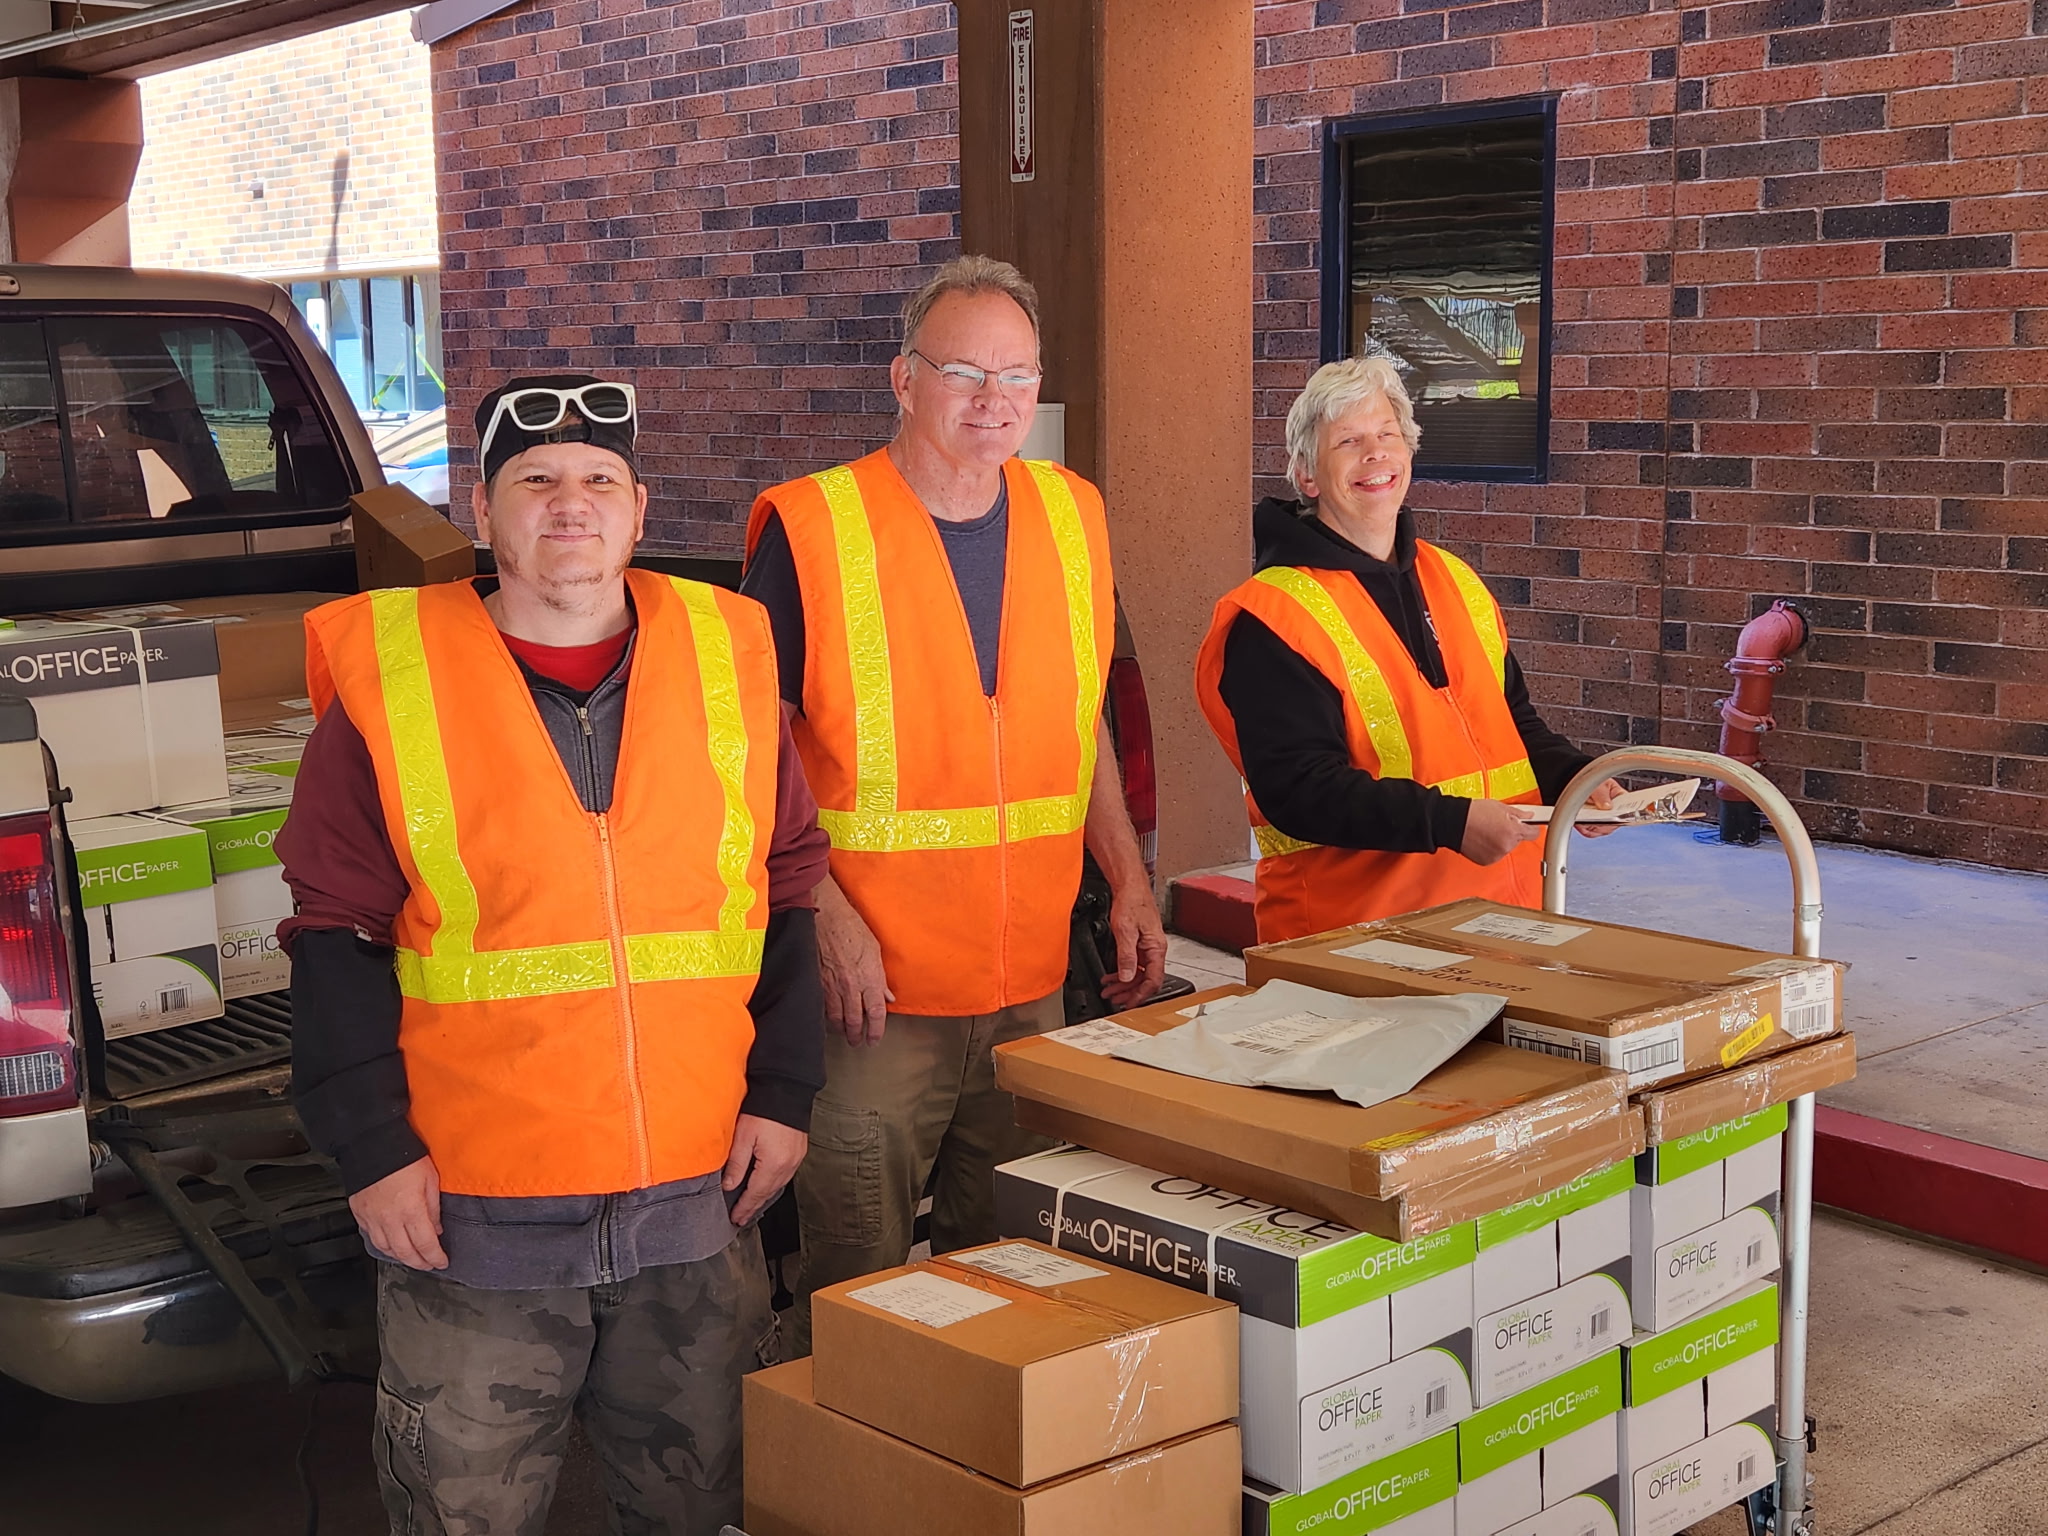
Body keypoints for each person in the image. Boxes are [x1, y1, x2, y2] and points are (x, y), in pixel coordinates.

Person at [278, 374, 829, 1536]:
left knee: (701, 1510)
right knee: (462, 1517)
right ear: (481, 514)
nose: (567, 504)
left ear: (639, 510)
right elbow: (332, 936)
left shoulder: (731, 666)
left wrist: (784, 1094)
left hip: (695, 1206)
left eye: (597, 480)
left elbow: (782, 895)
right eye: (534, 480)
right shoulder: (394, 690)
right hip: (476, 1224)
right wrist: (371, 1151)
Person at [740, 255, 1166, 1345]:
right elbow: (750, 762)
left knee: (1007, 1289)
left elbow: (1083, 733)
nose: (993, 400)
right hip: (871, 1000)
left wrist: (1128, 880)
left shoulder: (1075, 517)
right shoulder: (810, 528)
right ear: (902, 378)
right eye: (965, 371)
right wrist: (824, 923)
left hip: (1029, 982)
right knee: (861, 1291)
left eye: (1017, 375)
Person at [1195, 353, 1621, 944]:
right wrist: (1449, 823)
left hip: (1503, 921)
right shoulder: (1276, 615)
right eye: (1348, 441)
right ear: (1307, 475)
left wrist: (1577, 780)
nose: (1375, 455)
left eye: (1388, 435)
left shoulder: (1454, 579)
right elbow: (1298, 790)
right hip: (1357, 939)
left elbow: (1512, 723)